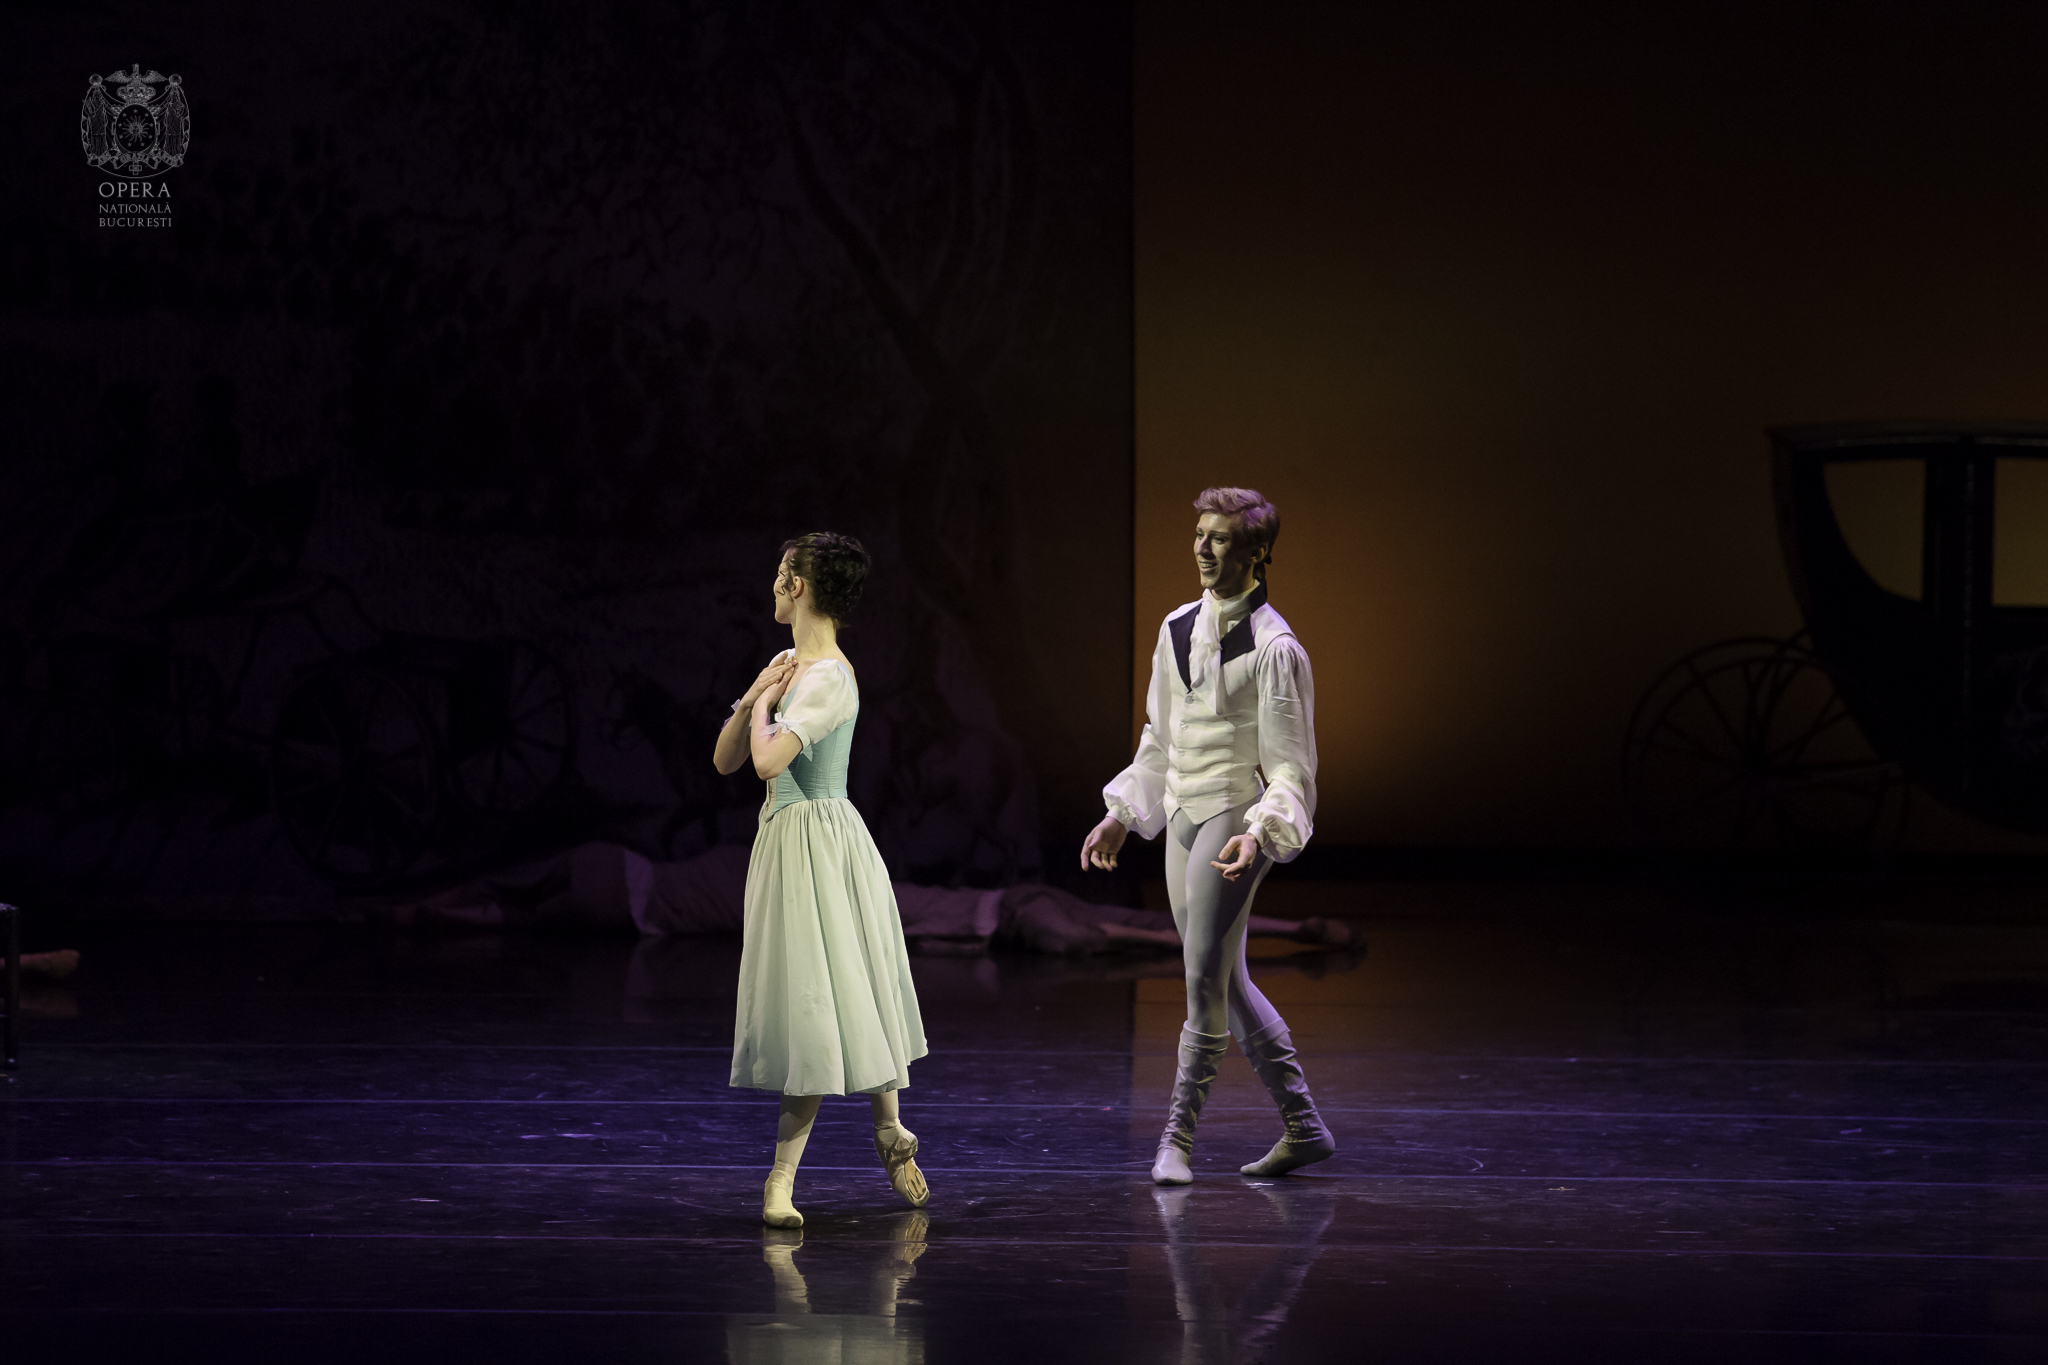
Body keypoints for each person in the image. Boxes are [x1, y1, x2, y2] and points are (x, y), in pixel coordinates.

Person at [1082, 486, 1336, 1184]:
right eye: (1199, 534)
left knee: (1200, 977)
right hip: (1181, 810)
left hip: (1233, 814)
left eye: (1219, 538)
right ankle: (1304, 1126)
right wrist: (1122, 813)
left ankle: (1177, 1141)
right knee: (1224, 976)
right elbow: (1159, 737)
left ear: (1257, 552)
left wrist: (1260, 834)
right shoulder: (1176, 627)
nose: (1203, 547)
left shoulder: (1276, 647)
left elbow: (1291, 766)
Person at [712, 532, 929, 1228]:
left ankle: (782, 1179)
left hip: (820, 843)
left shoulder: (829, 675)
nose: (774, 584)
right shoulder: (788, 668)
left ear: (799, 585)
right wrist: (753, 696)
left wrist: (763, 708)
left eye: (781, 572)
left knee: (827, 994)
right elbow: (725, 758)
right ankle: (889, 1130)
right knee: (827, 991)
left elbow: (767, 761)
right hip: (787, 842)